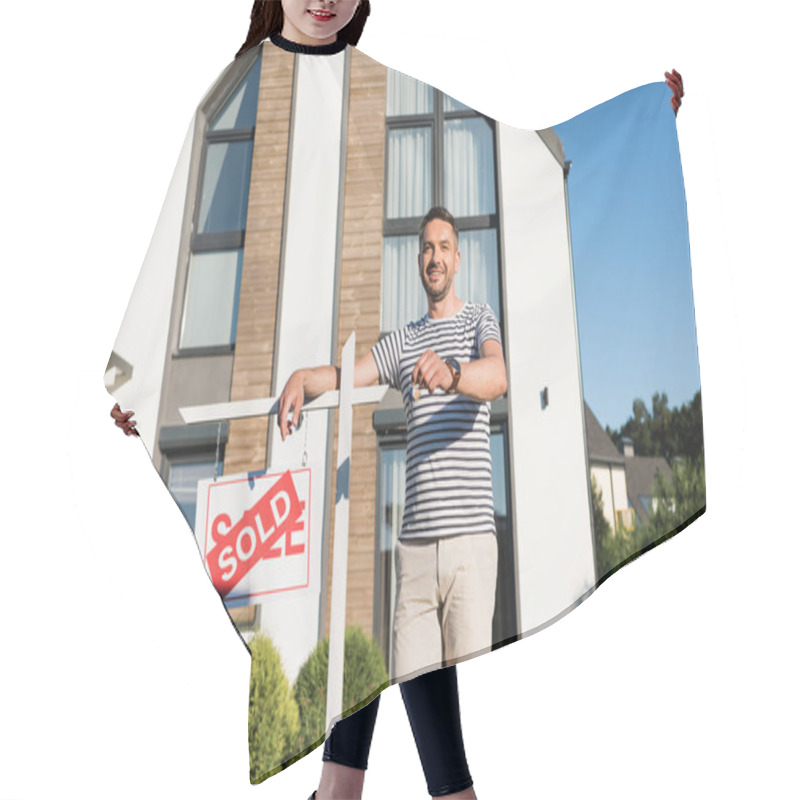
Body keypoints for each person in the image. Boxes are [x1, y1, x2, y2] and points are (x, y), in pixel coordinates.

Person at [108, 3, 687, 798]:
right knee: (379, 652)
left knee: (396, 658)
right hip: (416, 544)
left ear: (460, 258)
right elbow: (196, 223)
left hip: (467, 543)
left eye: (448, 246)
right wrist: (144, 372)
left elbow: (498, 369)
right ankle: (371, 792)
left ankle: (363, 792)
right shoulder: (234, 99)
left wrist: (642, 116)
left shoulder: (476, 318)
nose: (327, 0)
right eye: (428, 248)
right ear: (419, 262)